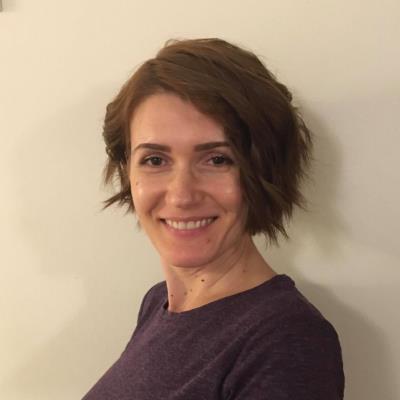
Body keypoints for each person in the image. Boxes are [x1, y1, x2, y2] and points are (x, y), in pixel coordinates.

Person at [82, 37, 345, 399]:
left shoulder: (286, 341)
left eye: (217, 159)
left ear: (262, 171)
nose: (181, 195)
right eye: (155, 160)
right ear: (128, 171)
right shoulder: (158, 303)